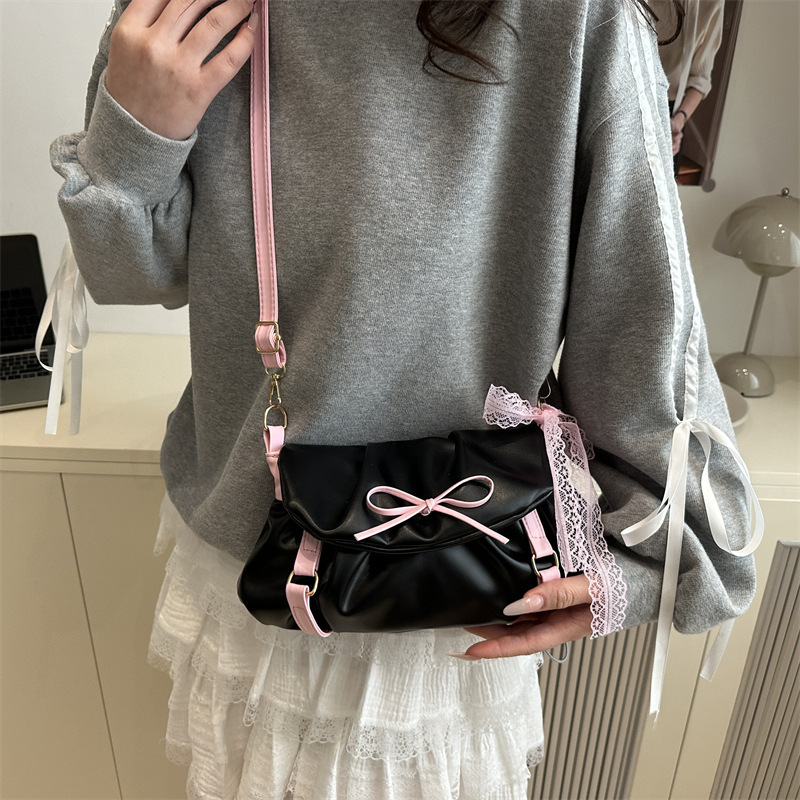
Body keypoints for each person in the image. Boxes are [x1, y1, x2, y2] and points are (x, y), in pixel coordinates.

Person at [50, 0, 758, 798]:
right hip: (256, 557)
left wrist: (658, 555)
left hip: (460, 582)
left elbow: (641, 310)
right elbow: (135, 274)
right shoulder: (198, 7)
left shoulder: (573, 19)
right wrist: (138, 132)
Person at [652, 0, 726, 176]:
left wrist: (679, 119)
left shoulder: (712, 4)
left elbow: (700, 78)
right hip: (619, 97)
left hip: (668, 112)